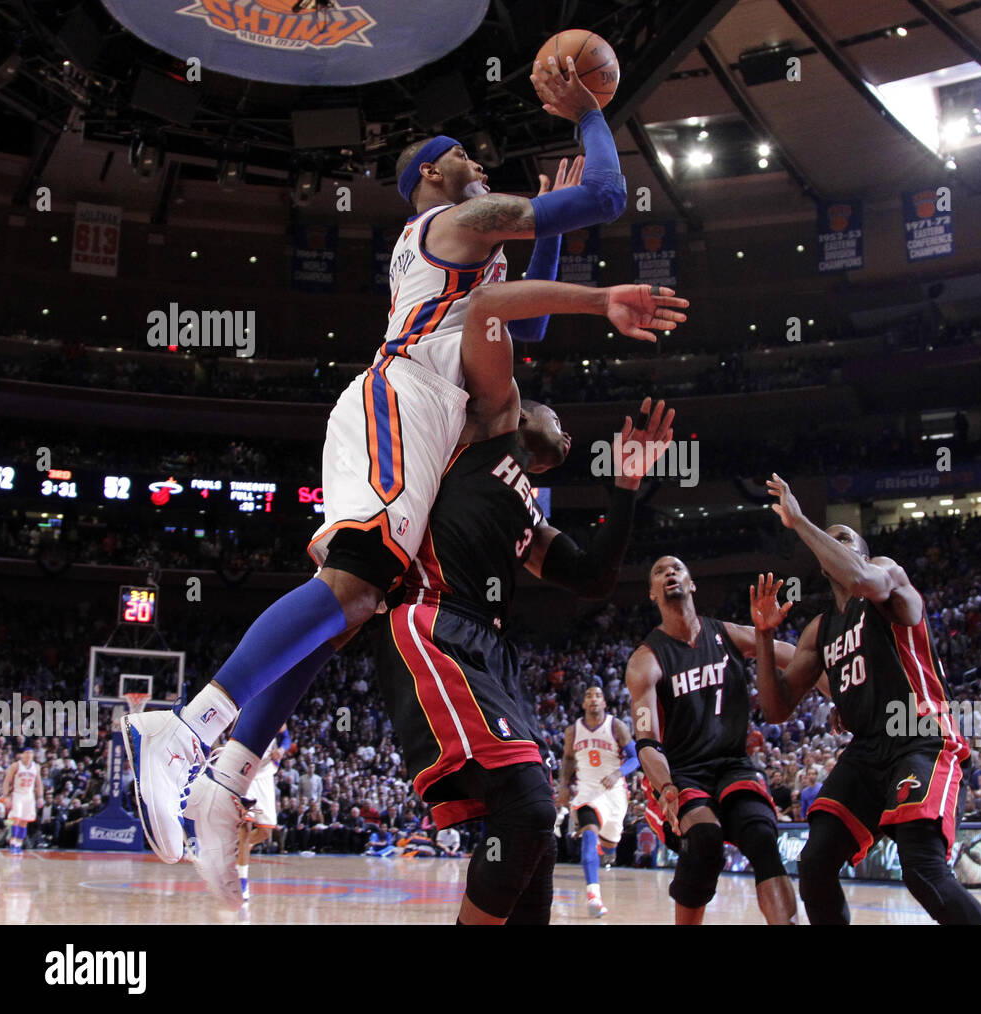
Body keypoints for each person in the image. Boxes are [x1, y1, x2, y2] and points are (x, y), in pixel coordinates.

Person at [122, 57, 632, 868]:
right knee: (356, 585)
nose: (481, 160)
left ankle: (228, 779)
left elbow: (523, 331)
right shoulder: (455, 224)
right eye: (466, 152)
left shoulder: (469, 246)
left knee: (355, 605)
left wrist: (554, 229)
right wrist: (590, 115)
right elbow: (609, 194)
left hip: (426, 410)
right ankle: (184, 731)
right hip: (404, 400)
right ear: (433, 171)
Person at [194, 279, 684, 908]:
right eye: (555, 417)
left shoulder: (528, 509)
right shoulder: (476, 431)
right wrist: (556, 228)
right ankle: (212, 741)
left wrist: (625, 487)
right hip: (434, 625)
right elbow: (499, 314)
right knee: (531, 808)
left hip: (492, 653)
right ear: (522, 411)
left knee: (529, 840)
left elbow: (594, 579)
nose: (567, 432)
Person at [747, 473, 981, 926]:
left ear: (857, 552)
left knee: (922, 870)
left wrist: (800, 522)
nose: (834, 543)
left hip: (919, 735)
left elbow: (861, 578)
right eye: (829, 540)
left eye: (843, 538)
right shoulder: (819, 630)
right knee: (815, 863)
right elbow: (777, 709)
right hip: (867, 751)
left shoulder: (886, 576)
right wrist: (763, 637)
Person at [625, 556, 800, 925]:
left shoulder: (728, 634)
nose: (669, 572)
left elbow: (801, 660)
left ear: (692, 584)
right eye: (659, 571)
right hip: (683, 773)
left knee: (763, 839)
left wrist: (842, 696)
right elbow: (647, 741)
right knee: (704, 839)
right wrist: (667, 787)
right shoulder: (646, 660)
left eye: (677, 568)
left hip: (733, 765)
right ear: (652, 594)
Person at [556, 684, 638, 918]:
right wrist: (563, 786)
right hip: (587, 792)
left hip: (614, 794)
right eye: (589, 696)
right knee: (589, 834)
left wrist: (618, 773)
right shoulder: (573, 731)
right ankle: (594, 895)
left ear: (604, 703)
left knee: (611, 845)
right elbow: (568, 758)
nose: (593, 699)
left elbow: (636, 758)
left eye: (598, 696)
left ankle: (607, 846)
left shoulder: (616, 726)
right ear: (583, 704)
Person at [235, 725, 290, 902]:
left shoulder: (276, 711)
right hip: (245, 773)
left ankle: (240, 848)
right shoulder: (243, 712)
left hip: (265, 775)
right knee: (246, 826)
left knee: (266, 831)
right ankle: (242, 880)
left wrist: (281, 750)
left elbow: (286, 738)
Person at [1, 748, 42, 855]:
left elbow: (39, 784)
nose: (29, 755)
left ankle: (19, 844)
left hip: (29, 796)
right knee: (16, 818)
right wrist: (6, 796)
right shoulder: (16, 765)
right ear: (22, 755)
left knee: (25, 821)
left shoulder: (36, 767)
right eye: (27, 753)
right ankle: (12, 843)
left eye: (31, 753)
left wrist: (40, 797)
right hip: (18, 794)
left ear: (33, 755)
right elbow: (6, 781)